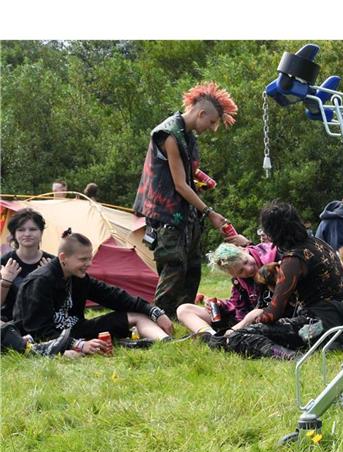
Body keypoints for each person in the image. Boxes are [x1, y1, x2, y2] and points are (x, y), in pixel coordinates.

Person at [133, 81, 239, 318]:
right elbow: (180, 185)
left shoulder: (187, 135)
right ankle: (157, 318)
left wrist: (200, 179)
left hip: (185, 213)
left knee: (192, 268)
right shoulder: (169, 134)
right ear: (201, 113)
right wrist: (209, 212)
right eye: (211, 122)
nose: (212, 128)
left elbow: (182, 174)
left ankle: (184, 314)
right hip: (167, 214)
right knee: (174, 267)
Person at [203, 201, 343, 360]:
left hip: (319, 327)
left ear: (273, 232)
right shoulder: (318, 243)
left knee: (237, 337)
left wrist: (251, 322)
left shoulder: (293, 259)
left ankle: (291, 357)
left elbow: (273, 313)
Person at [13, 231, 174, 353]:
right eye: (83, 259)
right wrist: (78, 345)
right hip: (46, 339)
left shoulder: (78, 277)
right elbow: (38, 331)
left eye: (89, 258)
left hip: (77, 330)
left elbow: (113, 296)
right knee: (70, 353)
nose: (88, 264)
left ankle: (169, 343)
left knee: (137, 314)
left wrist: (154, 311)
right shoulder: (40, 282)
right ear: (63, 258)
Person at [176, 242, 278, 336]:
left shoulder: (272, 257)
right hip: (245, 319)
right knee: (184, 309)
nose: (249, 269)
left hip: (270, 315)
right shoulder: (239, 281)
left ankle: (223, 336)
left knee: (254, 314)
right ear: (233, 274)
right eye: (241, 271)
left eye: (246, 261)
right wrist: (220, 305)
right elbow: (237, 305)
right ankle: (211, 336)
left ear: (243, 250)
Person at [1, 208, 55, 322]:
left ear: (41, 233)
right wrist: (5, 282)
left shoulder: (52, 263)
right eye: (21, 230)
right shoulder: (5, 262)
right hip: (9, 324)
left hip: (42, 323)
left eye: (33, 229)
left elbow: (61, 305)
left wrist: (49, 280)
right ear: (14, 234)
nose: (27, 234)